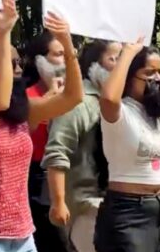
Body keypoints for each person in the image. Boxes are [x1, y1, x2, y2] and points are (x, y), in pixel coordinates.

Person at [0, 0, 84, 252]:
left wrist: (68, 47)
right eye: (11, 64)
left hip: (23, 236)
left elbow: (72, 97)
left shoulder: (21, 111)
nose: (19, 70)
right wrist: (2, 34)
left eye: (19, 63)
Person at [94, 41, 160, 252]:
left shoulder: (155, 116)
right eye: (149, 73)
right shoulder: (119, 113)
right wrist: (128, 53)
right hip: (128, 214)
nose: (158, 79)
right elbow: (108, 97)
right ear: (129, 76)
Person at [42, 40, 122, 252]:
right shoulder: (80, 104)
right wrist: (58, 202)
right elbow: (57, 151)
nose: (120, 65)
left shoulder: (119, 104)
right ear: (93, 66)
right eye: (113, 59)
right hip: (86, 206)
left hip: (113, 203)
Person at [23, 30, 72, 252]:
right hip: (37, 180)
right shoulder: (26, 96)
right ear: (39, 60)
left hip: (73, 177)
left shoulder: (75, 95)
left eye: (67, 55)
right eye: (58, 54)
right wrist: (51, 96)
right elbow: (25, 130)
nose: (64, 61)